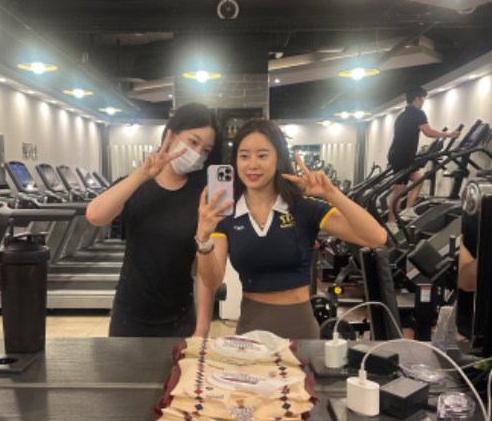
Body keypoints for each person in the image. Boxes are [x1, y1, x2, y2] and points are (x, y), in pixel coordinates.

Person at [195, 119, 387, 340]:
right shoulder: (226, 214)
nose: (252, 164)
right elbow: (213, 282)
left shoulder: (304, 208)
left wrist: (332, 194)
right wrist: (203, 239)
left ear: (278, 160)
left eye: (262, 155)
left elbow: (376, 237)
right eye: (244, 156)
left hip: (300, 334)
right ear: (236, 162)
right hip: (249, 335)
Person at [87, 103, 222, 337]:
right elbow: (95, 215)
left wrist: (202, 327)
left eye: (206, 150)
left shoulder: (202, 196)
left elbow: (205, 273)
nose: (198, 153)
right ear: (171, 135)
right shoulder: (137, 185)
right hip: (130, 313)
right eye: (193, 142)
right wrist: (142, 174)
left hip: (179, 317)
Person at [387, 86, 460, 232]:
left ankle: (408, 210)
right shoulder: (417, 112)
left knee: (418, 178)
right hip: (402, 156)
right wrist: (450, 135)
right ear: (417, 99)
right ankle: (391, 223)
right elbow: (429, 132)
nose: (423, 102)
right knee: (399, 192)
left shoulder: (402, 115)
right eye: (423, 99)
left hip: (399, 155)